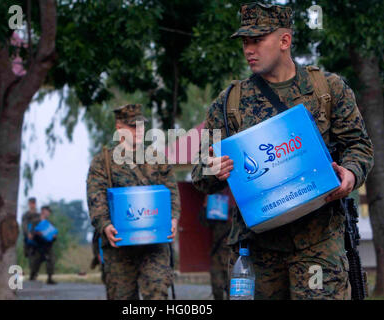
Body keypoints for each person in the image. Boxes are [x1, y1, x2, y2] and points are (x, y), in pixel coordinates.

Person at [191, 2, 374, 300]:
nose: (248, 49)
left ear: (284, 41)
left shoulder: (327, 89)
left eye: (257, 40)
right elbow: (199, 170)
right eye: (245, 42)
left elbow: (359, 145)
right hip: (258, 249)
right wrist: (213, 169)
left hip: (318, 242)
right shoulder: (230, 103)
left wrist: (351, 174)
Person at [86, 103, 181, 300]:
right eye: (132, 126)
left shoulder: (157, 158)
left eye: (140, 125)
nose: (138, 131)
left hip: (154, 243)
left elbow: (171, 191)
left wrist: (173, 219)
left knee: (157, 290)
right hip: (119, 246)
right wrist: (105, 225)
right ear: (119, 128)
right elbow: (96, 197)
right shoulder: (103, 161)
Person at [199, 192, 232, 300]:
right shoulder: (217, 203)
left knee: (233, 289)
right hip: (218, 253)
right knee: (216, 287)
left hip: (234, 254)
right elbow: (204, 222)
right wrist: (205, 206)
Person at [28, 205, 57, 284]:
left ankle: (50, 278)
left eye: (49, 212)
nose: (48, 213)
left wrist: (54, 237)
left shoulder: (50, 223)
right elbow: (31, 234)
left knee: (51, 260)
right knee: (36, 261)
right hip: (38, 245)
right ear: (43, 211)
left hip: (48, 245)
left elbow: (54, 234)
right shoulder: (35, 221)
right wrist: (37, 233)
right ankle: (32, 276)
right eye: (47, 211)